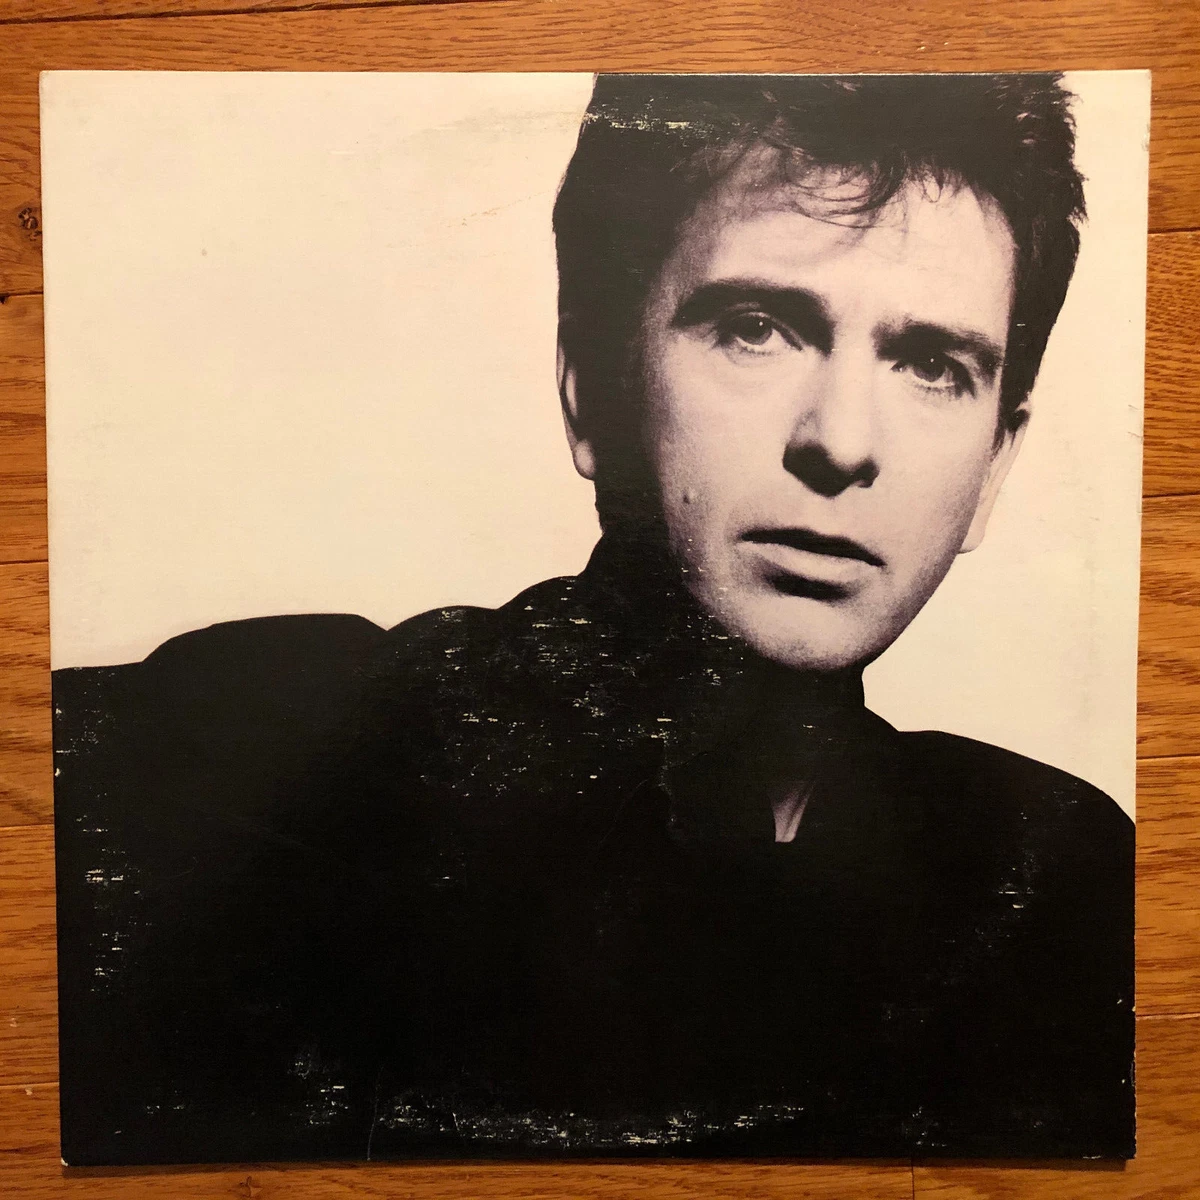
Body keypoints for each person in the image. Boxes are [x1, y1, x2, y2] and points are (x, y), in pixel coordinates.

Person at [52, 73, 1134, 1166]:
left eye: (934, 366)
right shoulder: (274, 746)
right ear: (590, 388)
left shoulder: (1052, 880)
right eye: (756, 329)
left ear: (996, 465)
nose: (842, 442)